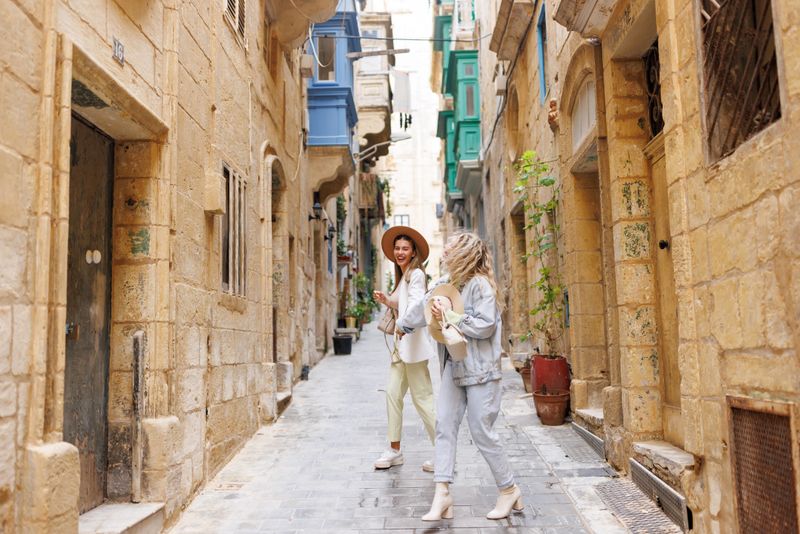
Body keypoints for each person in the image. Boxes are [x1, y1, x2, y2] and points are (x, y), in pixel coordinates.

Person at [403, 232, 523, 521]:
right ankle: (442, 492)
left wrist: (452, 315)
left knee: (482, 432)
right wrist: (404, 325)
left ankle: (509, 490)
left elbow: (485, 326)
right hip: (454, 369)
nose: (445, 248)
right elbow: (423, 308)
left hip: (481, 372)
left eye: (452, 244)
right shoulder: (449, 284)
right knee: (444, 425)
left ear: (465, 252)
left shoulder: (481, 285)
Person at [372, 226, 437, 472]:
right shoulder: (404, 276)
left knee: (423, 399)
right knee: (392, 394)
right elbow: (403, 303)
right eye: (397, 248)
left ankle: (444, 452)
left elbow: (418, 304)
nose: (400, 252)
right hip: (402, 348)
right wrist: (386, 300)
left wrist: (401, 323)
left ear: (412, 253)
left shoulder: (416, 275)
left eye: (405, 249)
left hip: (414, 347)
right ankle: (394, 450)